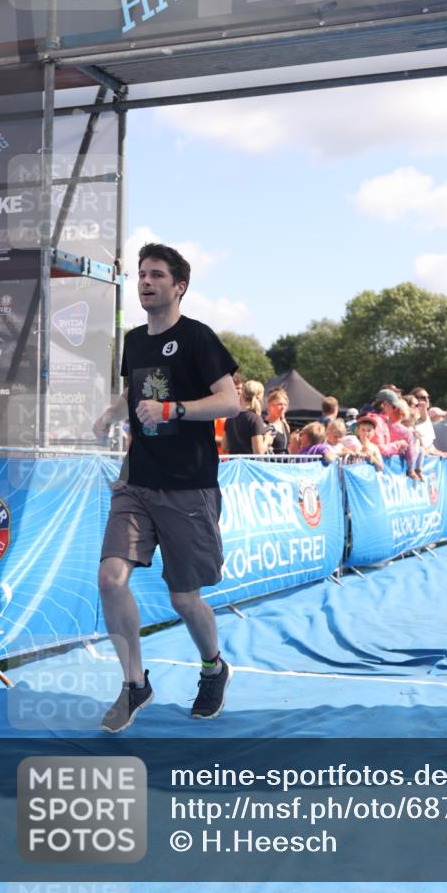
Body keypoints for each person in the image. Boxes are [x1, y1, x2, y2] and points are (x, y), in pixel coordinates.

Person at [93, 243, 240, 733]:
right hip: (136, 481)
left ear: (179, 286)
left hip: (188, 487)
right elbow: (134, 390)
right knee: (111, 580)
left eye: (156, 275)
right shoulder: (134, 341)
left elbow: (230, 402)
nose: (145, 282)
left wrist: (174, 410)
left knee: (184, 600)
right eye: (140, 275)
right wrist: (113, 413)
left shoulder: (198, 338)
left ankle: (213, 667)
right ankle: (136, 684)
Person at [223, 378, 268, 455]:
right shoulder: (255, 419)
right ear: (260, 398)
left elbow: (225, 447)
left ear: (242, 395)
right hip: (249, 465)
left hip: (234, 465)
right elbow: (258, 452)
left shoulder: (230, 418)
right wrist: (267, 440)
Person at [264, 387, 290, 454]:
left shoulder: (285, 425)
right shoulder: (264, 425)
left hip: (285, 463)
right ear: (270, 405)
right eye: (280, 404)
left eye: (285, 405)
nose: (283, 407)